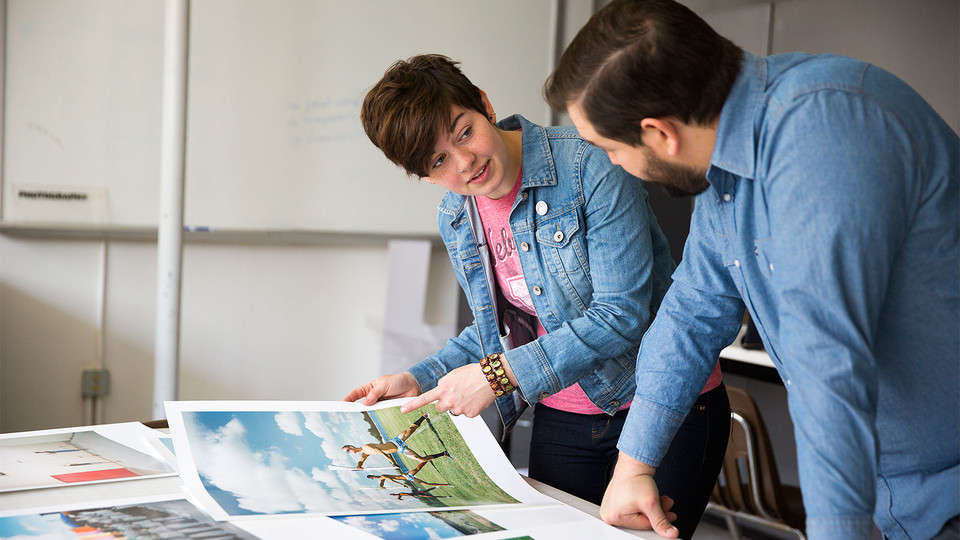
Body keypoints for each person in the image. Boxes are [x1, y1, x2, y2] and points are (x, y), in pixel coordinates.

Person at [543, 1, 960, 539]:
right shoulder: (726, 167)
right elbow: (692, 312)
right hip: (899, 502)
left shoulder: (822, 132)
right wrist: (634, 467)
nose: (614, 165)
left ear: (661, 133)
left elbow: (828, 370)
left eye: (611, 149)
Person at [343, 53, 729, 538]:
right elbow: (502, 329)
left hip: (661, 405)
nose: (465, 163)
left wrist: (498, 375)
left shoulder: (592, 163)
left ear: (483, 103)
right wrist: (418, 377)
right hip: (563, 418)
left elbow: (621, 314)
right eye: (439, 161)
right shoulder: (457, 216)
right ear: (421, 174)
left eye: (464, 131)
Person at [342, 413, 450, 470]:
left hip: (395, 442)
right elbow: (361, 461)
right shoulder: (364, 453)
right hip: (399, 449)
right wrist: (358, 466)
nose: (349, 452)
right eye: (347, 452)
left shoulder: (366, 447)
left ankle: (423, 416)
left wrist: (393, 463)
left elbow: (382, 453)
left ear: (351, 446)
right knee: (420, 459)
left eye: (347, 450)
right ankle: (444, 453)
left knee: (410, 430)